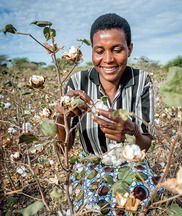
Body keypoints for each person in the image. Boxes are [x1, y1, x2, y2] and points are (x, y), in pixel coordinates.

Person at [57, 13, 159, 215]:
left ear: (129, 49)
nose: (108, 59)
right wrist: (62, 117)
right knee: (91, 206)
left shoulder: (142, 81)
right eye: (99, 51)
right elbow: (63, 149)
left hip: (132, 165)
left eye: (117, 50)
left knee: (135, 203)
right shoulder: (77, 83)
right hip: (91, 165)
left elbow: (145, 143)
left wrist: (132, 132)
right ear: (92, 52)